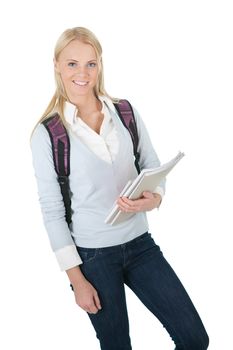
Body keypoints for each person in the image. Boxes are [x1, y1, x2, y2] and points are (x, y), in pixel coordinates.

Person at [30, 26, 209, 350]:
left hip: (140, 245)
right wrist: (77, 281)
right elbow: (52, 212)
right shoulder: (49, 134)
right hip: (93, 256)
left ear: (100, 65)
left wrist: (154, 199)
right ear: (56, 64)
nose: (82, 73)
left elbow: (152, 166)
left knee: (194, 339)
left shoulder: (124, 112)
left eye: (91, 63)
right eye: (72, 63)